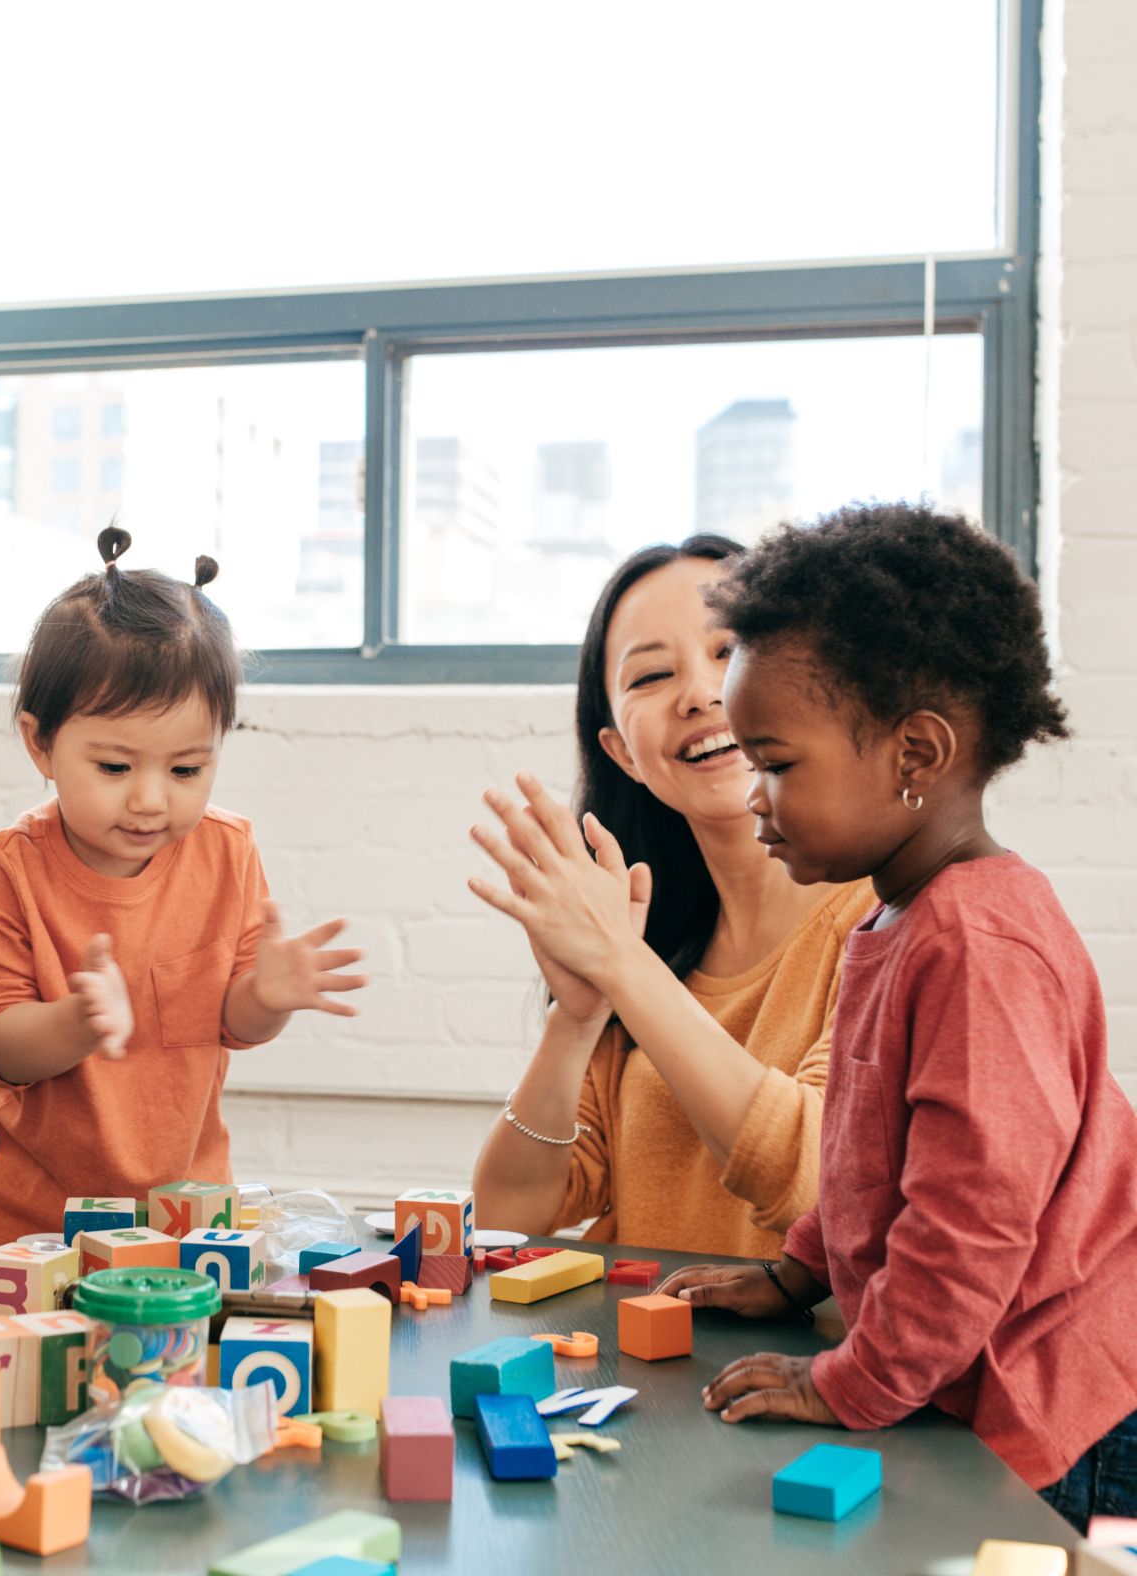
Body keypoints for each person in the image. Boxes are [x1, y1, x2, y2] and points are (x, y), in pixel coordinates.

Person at [634, 504, 1137, 1531]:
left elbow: (970, 1223)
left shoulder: (976, 946)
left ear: (913, 751)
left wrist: (845, 1382)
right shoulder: (895, 912)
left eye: (774, 761)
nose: (755, 794)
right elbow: (873, 1152)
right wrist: (799, 1267)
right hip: (954, 1373)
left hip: (1046, 1401)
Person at [0, 527, 366, 1246]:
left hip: (191, 1217)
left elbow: (233, 1025)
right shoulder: (11, 867)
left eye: (186, 771)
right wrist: (75, 1023)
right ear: (40, 744)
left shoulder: (228, 852)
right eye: (115, 768)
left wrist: (266, 998)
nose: (151, 800)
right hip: (35, 1225)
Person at [470, 537, 873, 1257]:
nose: (699, 693)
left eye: (730, 651)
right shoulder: (651, 945)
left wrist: (622, 963)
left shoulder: (882, 922)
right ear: (622, 752)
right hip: (644, 1369)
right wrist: (578, 1018)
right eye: (652, 674)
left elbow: (816, 1186)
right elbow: (507, 1215)